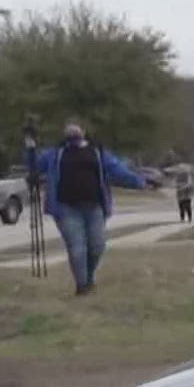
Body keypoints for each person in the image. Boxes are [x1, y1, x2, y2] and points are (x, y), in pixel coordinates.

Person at [32, 119, 158, 296]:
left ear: (84, 130)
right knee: (77, 248)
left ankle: (89, 279)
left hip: (94, 207)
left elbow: (117, 170)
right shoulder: (55, 154)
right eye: (68, 125)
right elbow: (34, 165)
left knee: (97, 246)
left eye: (76, 125)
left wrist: (139, 182)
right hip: (66, 208)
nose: (72, 128)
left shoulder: (97, 152)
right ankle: (82, 286)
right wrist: (29, 147)